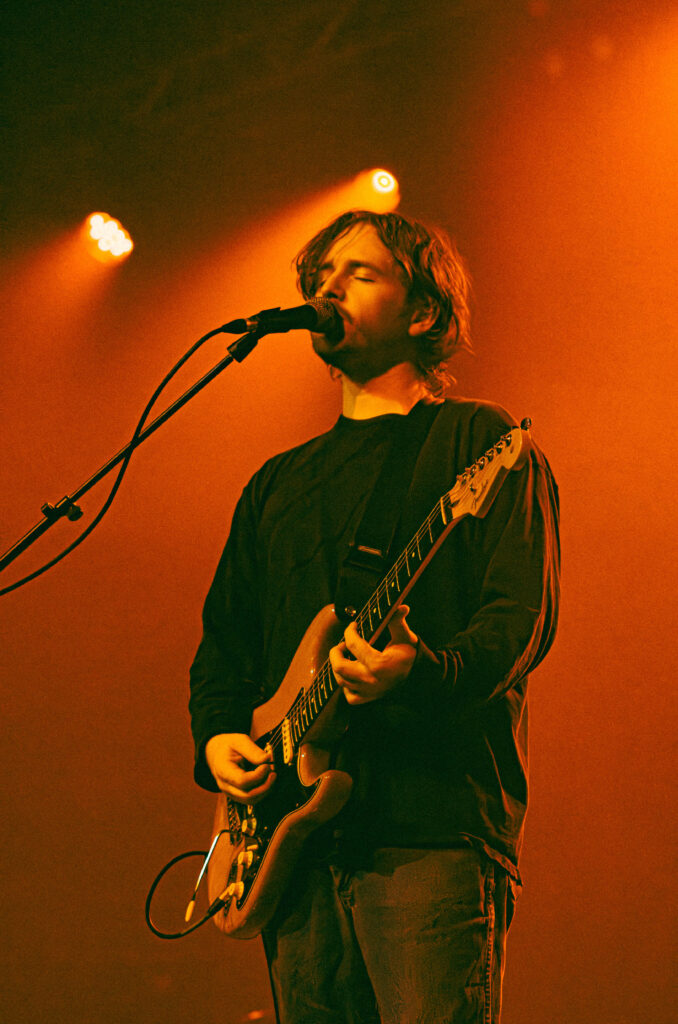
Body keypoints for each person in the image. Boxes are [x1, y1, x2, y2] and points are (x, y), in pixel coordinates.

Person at [189, 210, 560, 1024]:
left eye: (358, 273)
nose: (330, 288)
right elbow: (226, 643)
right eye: (321, 275)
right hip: (291, 840)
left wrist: (418, 673)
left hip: (426, 828)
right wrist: (218, 738)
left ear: (422, 311)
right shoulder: (277, 482)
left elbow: (518, 622)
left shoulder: (478, 439)